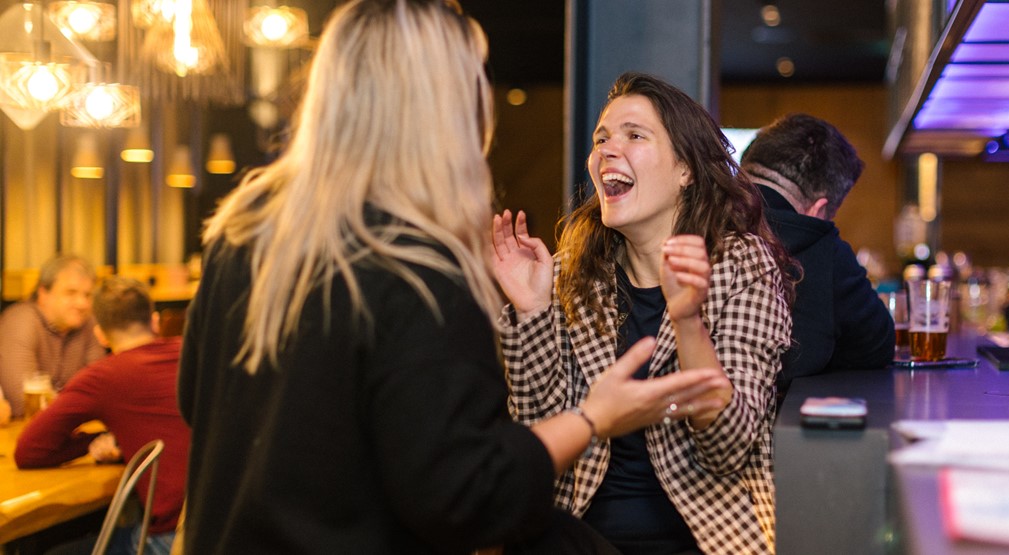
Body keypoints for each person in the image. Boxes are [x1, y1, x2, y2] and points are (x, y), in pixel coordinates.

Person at [176, 3, 726, 554]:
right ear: (445, 107)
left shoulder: (244, 233)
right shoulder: (415, 267)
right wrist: (593, 418)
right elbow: (470, 498)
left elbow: (195, 401)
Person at [493, 71, 793, 554]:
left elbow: (729, 448)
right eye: (602, 139)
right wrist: (532, 312)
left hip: (701, 538)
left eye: (634, 136)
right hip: (578, 536)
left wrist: (688, 318)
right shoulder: (573, 271)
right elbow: (539, 436)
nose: (608, 150)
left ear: (685, 170)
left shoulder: (739, 264)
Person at [15, 276, 189, 555]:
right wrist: (119, 442)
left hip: (172, 539)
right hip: (221, 528)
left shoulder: (104, 376)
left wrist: (93, 440)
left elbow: (29, 450)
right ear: (155, 321)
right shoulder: (192, 352)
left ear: (101, 335)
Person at [739, 113, 894, 389]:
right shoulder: (823, 248)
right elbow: (877, 344)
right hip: (775, 427)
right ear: (819, 209)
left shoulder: (695, 217)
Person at [0, 255, 107, 418]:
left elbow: (101, 389)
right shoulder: (22, 321)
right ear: (43, 293)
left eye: (87, 295)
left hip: (69, 428)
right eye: (71, 293)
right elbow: (21, 400)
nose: (82, 304)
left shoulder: (88, 322)